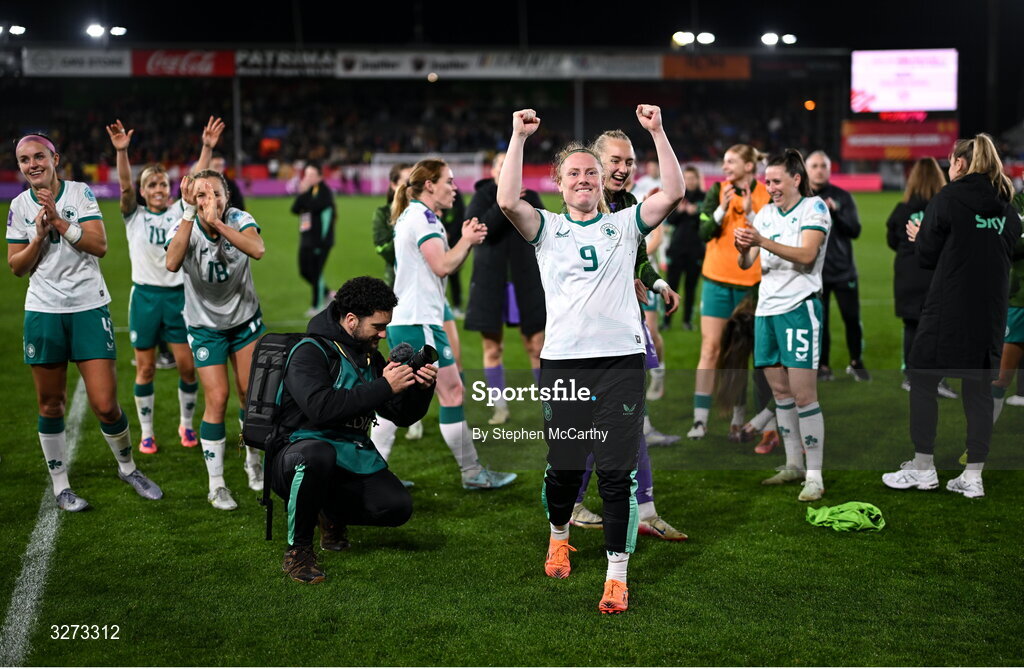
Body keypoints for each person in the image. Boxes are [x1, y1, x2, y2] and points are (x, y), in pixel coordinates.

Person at [498, 105, 685, 613]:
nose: (585, 179)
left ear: (604, 182)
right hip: (564, 364)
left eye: (592, 173)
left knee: (615, 474)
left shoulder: (626, 226)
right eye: (574, 173)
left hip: (621, 364)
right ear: (559, 183)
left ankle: (616, 576)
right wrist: (517, 137)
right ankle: (559, 535)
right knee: (563, 469)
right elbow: (507, 198)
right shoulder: (547, 229)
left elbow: (673, 192)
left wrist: (658, 132)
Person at [8, 133, 162, 511]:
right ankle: (61, 486)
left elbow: (99, 245)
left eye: (39, 156)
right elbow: (17, 266)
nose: (33, 165)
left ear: (55, 158)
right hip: (43, 311)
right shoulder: (18, 205)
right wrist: (38, 238)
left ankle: (128, 467)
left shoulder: (80, 194)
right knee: (50, 404)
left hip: (89, 307)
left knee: (106, 404)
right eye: (25, 160)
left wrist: (59, 222)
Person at [270, 276, 436, 583]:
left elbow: (400, 416)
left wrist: (422, 387)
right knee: (316, 454)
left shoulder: (367, 353)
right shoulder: (310, 351)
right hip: (295, 457)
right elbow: (321, 409)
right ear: (350, 320)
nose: (384, 334)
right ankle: (298, 552)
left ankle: (328, 513)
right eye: (378, 326)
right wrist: (384, 385)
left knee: (396, 507)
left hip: (346, 456)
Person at [883, 134, 1021, 498]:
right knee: (979, 391)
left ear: (960, 163)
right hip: (990, 312)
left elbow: (928, 257)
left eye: (951, 161)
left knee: (923, 380)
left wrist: (918, 239)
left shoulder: (948, 197)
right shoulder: (1007, 205)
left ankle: (923, 468)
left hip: (948, 309)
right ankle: (973, 476)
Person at [369, 158, 516, 490]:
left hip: (415, 319)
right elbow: (442, 265)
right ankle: (472, 473)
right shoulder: (423, 218)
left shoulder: (417, 216)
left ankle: (371, 474)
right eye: (449, 181)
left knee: (401, 396)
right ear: (430, 185)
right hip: (417, 322)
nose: (455, 188)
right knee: (447, 392)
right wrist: (466, 240)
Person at [106, 117, 224, 455]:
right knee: (144, 368)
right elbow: (125, 187)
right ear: (144, 192)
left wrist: (207, 147)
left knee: (187, 368)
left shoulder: (179, 212)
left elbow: (196, 177)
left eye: (162, 184)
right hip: (144, 297)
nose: (158, 189)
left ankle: (186, 426)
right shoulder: (134, 215)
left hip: (179, 297)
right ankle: (146, 433)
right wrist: (122, 153)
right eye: (152, 185)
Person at [165, 168, 267, 510]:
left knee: (250, 396)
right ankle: (217, 484)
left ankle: (253, 463)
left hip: (244, 321)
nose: (213, 201)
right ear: (193, 200)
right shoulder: (186, 225)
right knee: (218, 398)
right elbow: (171, 262)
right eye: (204, 195)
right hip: (205, 326)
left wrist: (219, 223)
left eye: (218, 194)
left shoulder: (239, 219)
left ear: (227, 198)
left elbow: (258, 249)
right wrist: (191, 215)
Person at [734, 149, 832, 502]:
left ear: (796, 179)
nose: (770, 187)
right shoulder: (765, 214)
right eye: (767, 181)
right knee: (780, 394)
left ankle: (815, 475)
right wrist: (744, 246)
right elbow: (747, 264)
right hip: (767, 311)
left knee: (805, 395)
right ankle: (793, 464)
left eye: (775, 181)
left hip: (798, 309)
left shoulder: (814, 209)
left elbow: (807, 257)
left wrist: (760, 240)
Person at [691, 145, 770, 439]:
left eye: (731, 162)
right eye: (724, 162)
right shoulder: (716, 191)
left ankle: (737, 419)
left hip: (752, 285)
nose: (725, 167)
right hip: (715, 281)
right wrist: (723, 209)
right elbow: (703, 232)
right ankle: (700, 421)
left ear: (750, 166)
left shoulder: (765, 194)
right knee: (710, 349)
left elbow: (770, 236)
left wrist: (751, 212)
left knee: (743, 353)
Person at [464, 152, 546, 426]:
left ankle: (550, 406)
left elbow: (541, 233)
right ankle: (500, 407)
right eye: (503, 165)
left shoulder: (531, 196)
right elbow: (481, 231)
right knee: (492, 348)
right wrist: (505, 202)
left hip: (527, 281)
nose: (509, 170)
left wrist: (518, 203)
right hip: (490, 282)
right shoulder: (482, 196)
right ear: (494, 171)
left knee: (537, 346)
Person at [884, 158, 957, 398]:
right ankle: (938, 380)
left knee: (911, 326)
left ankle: (912, 378)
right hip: (935, 273)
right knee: (938, 328)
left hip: (907, 272)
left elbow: (892, 241)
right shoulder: (944, 207)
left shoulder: (901, 210)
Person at [805, 151, 869, 382]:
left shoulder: (843, 197)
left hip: (843, 271)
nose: (819, 169)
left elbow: (855, 230)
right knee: (819, 323)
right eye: (814, 166)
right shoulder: (802, 198)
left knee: (852, 318)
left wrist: (837, 212)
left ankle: (856, 362)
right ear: (806, 169)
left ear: (830, 169)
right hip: (814, 273)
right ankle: (823, 366)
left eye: (823, 165)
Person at [290, 161, 337, 316]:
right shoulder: (308, 191)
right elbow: (295, 209)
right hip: (306, 239)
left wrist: (321, 244)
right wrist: (302, 193)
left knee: (317, 273)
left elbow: (324, 217)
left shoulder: (324, 193)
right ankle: (328, 293)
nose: (307, 177)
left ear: (319, 176)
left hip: (320, 242)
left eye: (311, 175)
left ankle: (317, 306)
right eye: (306, 174)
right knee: (304, 271)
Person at [663, 166, 706, 331]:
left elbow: (709, 219)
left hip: (695, 251)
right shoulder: (678, 197)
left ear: (697, 179)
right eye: (686, 178)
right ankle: (666, 321)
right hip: (676, 250)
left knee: (690, 289)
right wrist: (680, 212)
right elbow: (669, 220)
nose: (690, 181)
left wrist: (697, 212)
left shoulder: (705, 197)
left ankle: (687, 321)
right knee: (670, 287)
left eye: (692, 178)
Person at [372, 164, 411, 286]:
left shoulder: (428, 212)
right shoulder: (382, 213)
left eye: (416, 182)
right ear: (394, 185)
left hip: (427, 285)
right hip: (396, 281)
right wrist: (409, 234)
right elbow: (382, 249)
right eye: (408, 182)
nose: (413, 187)